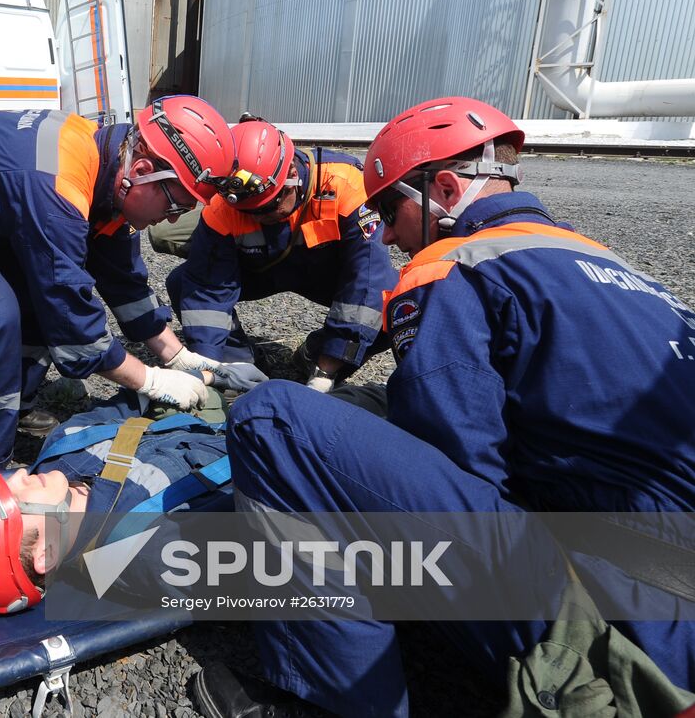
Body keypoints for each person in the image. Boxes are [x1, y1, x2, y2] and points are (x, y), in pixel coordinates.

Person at [193, 96, 695, 717]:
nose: (392, 235)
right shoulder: (622, 272)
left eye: (391, 210)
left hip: (633, 636)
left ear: (447, 188)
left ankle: (328, 702)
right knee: (368, 407)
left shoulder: (450, 265)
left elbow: (460, 463)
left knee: (275, 420)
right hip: (663, 569)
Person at [0, 97, 267, 475]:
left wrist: (179, 358)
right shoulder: (60, 186)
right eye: (175, 206)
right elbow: (72, 320)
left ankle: (11, 408)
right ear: (144, 173)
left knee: (35, 301)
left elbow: (126, 284)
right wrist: (152, 380)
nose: (170, 219)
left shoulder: (113, 169)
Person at [0, 389, 237, 615]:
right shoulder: (151, 552)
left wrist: (188, 378)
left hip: (198, 419)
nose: (20, 474)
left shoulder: (62, 448)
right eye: (14, 497)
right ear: (46, 553)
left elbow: (128, 404)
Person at [151, 118, 397, 391]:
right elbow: (208, 291)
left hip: (326, 273)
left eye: (269, 206)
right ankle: (242, 366)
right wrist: (217, 369)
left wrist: (325, 371)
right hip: (262, 268)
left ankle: (313, 355)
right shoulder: (223, 208)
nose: (262, 217)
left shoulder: (346, 185)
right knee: (184, 283)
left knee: (390, 307)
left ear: (291, 174)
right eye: (251, 211)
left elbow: (366, 281)